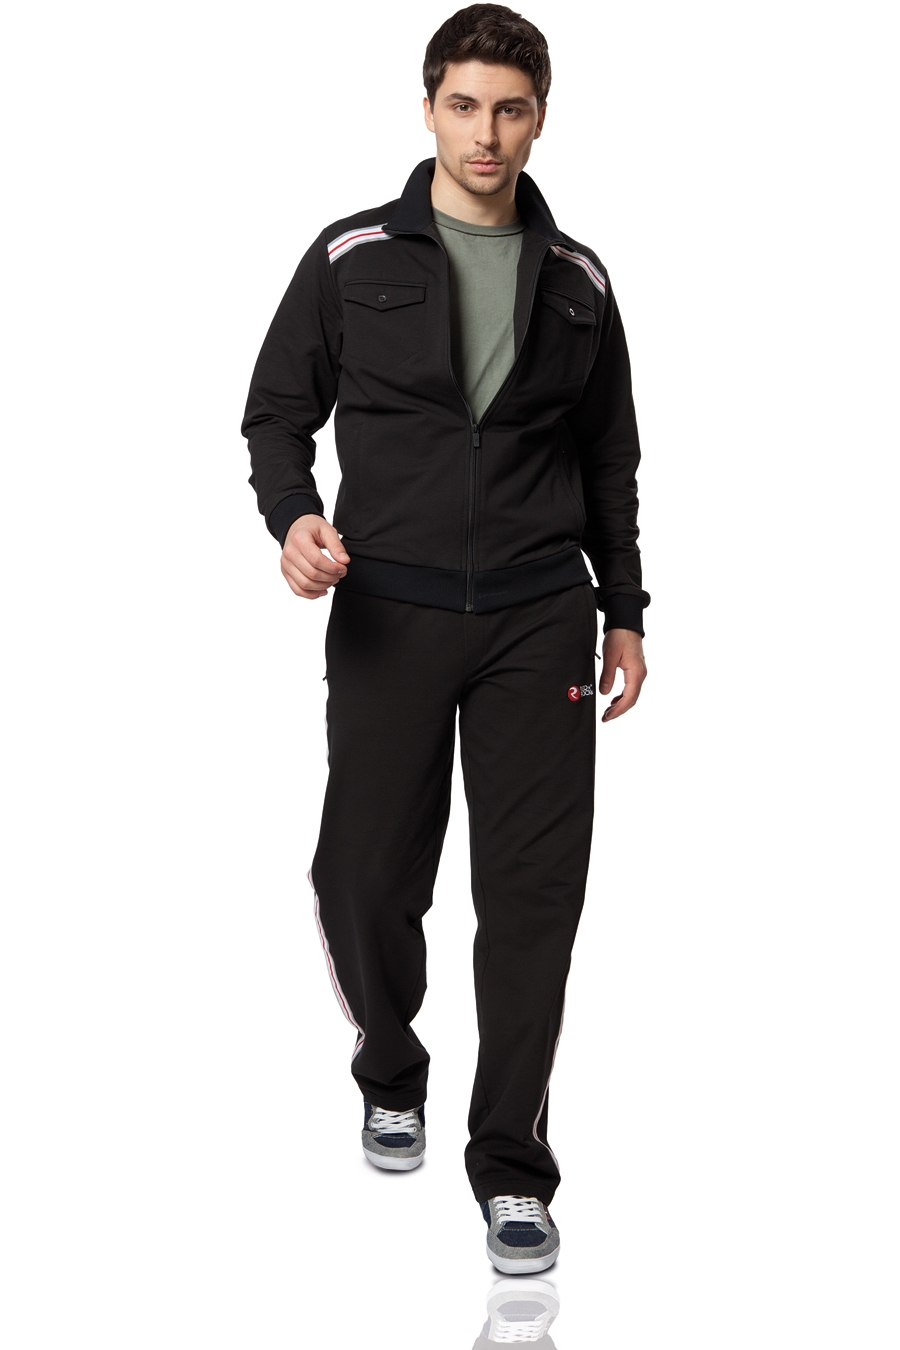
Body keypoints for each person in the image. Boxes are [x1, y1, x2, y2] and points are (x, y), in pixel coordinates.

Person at [240, 2, 650, 1275]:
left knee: (533, 899)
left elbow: (610, 461)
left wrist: (626, 610)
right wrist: (294, 518)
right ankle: (389, 1062)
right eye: (464, 105)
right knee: (363, 875)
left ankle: (513, 1169)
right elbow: (275, 413)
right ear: (428, 109)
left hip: (539, 616)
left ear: (540, 119)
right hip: (389, 608)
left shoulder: (578, 278)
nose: (486, 133)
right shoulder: (351, 253)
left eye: (510, 109)